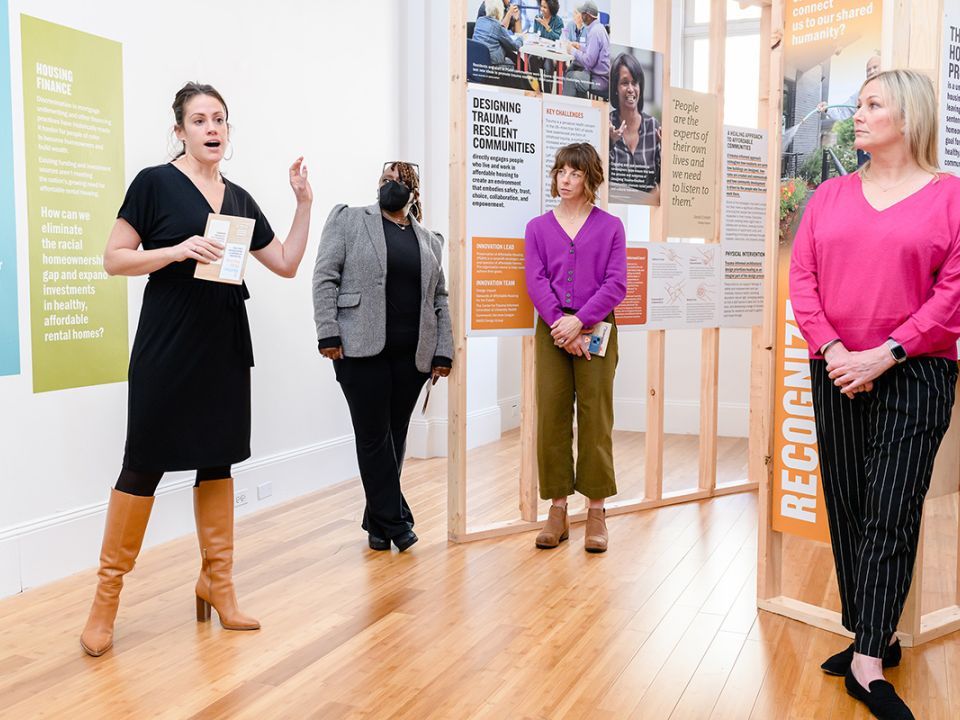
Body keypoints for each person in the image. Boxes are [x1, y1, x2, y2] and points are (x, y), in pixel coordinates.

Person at [80, 82, 313, 657]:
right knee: (142, 466)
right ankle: (105, 600)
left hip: (223, 346)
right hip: (167, 347)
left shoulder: (238, 196)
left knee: (218, 462)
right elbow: (114, 258)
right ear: (179, 130)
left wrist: (304, 203)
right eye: (200, 120)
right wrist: (177, 250)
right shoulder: (154, 184)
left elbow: (283, 263)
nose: (212, 128)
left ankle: (219, 584)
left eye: (220, 120)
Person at [790, 69, 960, 720]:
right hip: (835, 369)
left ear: (907, 118)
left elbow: (954, 295)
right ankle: (876, 635)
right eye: (857, 104)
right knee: (849, 504)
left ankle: (864, 665)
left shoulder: (950, 197)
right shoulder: (829, 197)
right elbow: (803, 280)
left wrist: (884, 354)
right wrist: (835, 351)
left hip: (915, 369)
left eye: (872, 105)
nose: (856, 115)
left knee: (891, 507)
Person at [313, 162, 453, 553]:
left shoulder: (430, 240)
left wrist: (444, 349)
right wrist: (327, 330)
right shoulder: (349, 220)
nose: (389, 185)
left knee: (394, 438)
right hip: (359, 348)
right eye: (384, 179)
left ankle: (376, 522)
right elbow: (325, 276)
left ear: (415, 192)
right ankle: (397, 523)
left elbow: (438, 298)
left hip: (413, 355)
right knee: (373, 436)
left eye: (399, 180)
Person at [524, 143, 626, 553]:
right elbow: (536, 280)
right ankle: (558, 509)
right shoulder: (537, 227)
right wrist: (561, 326)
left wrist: (579, 322)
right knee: (551, 413)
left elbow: (616, 283)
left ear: (590, 178)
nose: (565, 181)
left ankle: (596, 512)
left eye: (574, 174)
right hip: (553, 329)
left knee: (595, 415)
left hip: (596, 325)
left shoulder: (611, 226)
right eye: (560, 172)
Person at [608, 52, 661, 199]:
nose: (631, 89)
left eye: (635, 83)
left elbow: (663, 182)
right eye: (625, 83)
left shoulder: (653, 127)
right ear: (616, 89)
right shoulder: (607, 125)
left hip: (647, 210)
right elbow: (597, 179)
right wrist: (609, 143)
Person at [562, 1, 610, 100]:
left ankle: (568, 109)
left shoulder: (594, 32)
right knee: (574, 69)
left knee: (570, 77)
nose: (581, 16)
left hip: (599, 80)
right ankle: (581, 109)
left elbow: (589, 62)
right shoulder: (599, 28)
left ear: (588, 15)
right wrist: (580, 47)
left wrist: (572, 51)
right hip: (602, 76)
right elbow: (593, 52)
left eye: (582, 13)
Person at [473, 0, 524, 72]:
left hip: (478, 61)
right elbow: (515, 46)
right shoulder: (496, 22)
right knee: (517, 63)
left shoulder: (480, 20)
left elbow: (508, 30)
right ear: (500, 10)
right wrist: (521, 38)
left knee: (518, 60)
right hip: (493, 63)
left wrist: (517, 18)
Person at [528, 0, 564, 93]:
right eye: (541, 6)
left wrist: (546, 26)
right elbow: (535, 35)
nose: (542, 9)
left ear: (551, 9)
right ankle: (538, 89)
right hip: (539, 52)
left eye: (545, 7)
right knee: (531, 59)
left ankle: (547, 94)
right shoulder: (538, 18)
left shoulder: (558, 21)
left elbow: (557, 38)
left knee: (548, 65)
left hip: (551, 54)